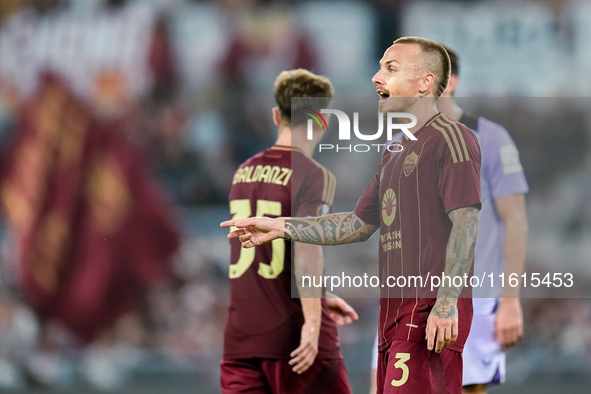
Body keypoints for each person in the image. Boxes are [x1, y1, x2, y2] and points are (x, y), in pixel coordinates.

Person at [222, 36, 482, 394]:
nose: (377, 78)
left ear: (425, 83)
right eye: (378, 68)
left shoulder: (452, 138)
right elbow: (357, 224)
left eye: (390, 69)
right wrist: (280, 225)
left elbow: (466, 221)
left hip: (426, 312)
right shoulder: (394, 151)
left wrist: (447, 302)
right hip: (392, 318)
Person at [368, 45, 529, 394]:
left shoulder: (491, 139)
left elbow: (514, 221)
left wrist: (511, 300)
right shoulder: (397, 146)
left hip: (473, 297)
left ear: (444, 83)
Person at [220, 69, 357, 394]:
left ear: (275, 114)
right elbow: (307, 246)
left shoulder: (243, 172)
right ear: (322, 120)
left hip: (241, 340)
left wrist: (319, 296)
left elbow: (263, 254)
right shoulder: (312, 175)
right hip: (293, 336)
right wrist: (313, 318)